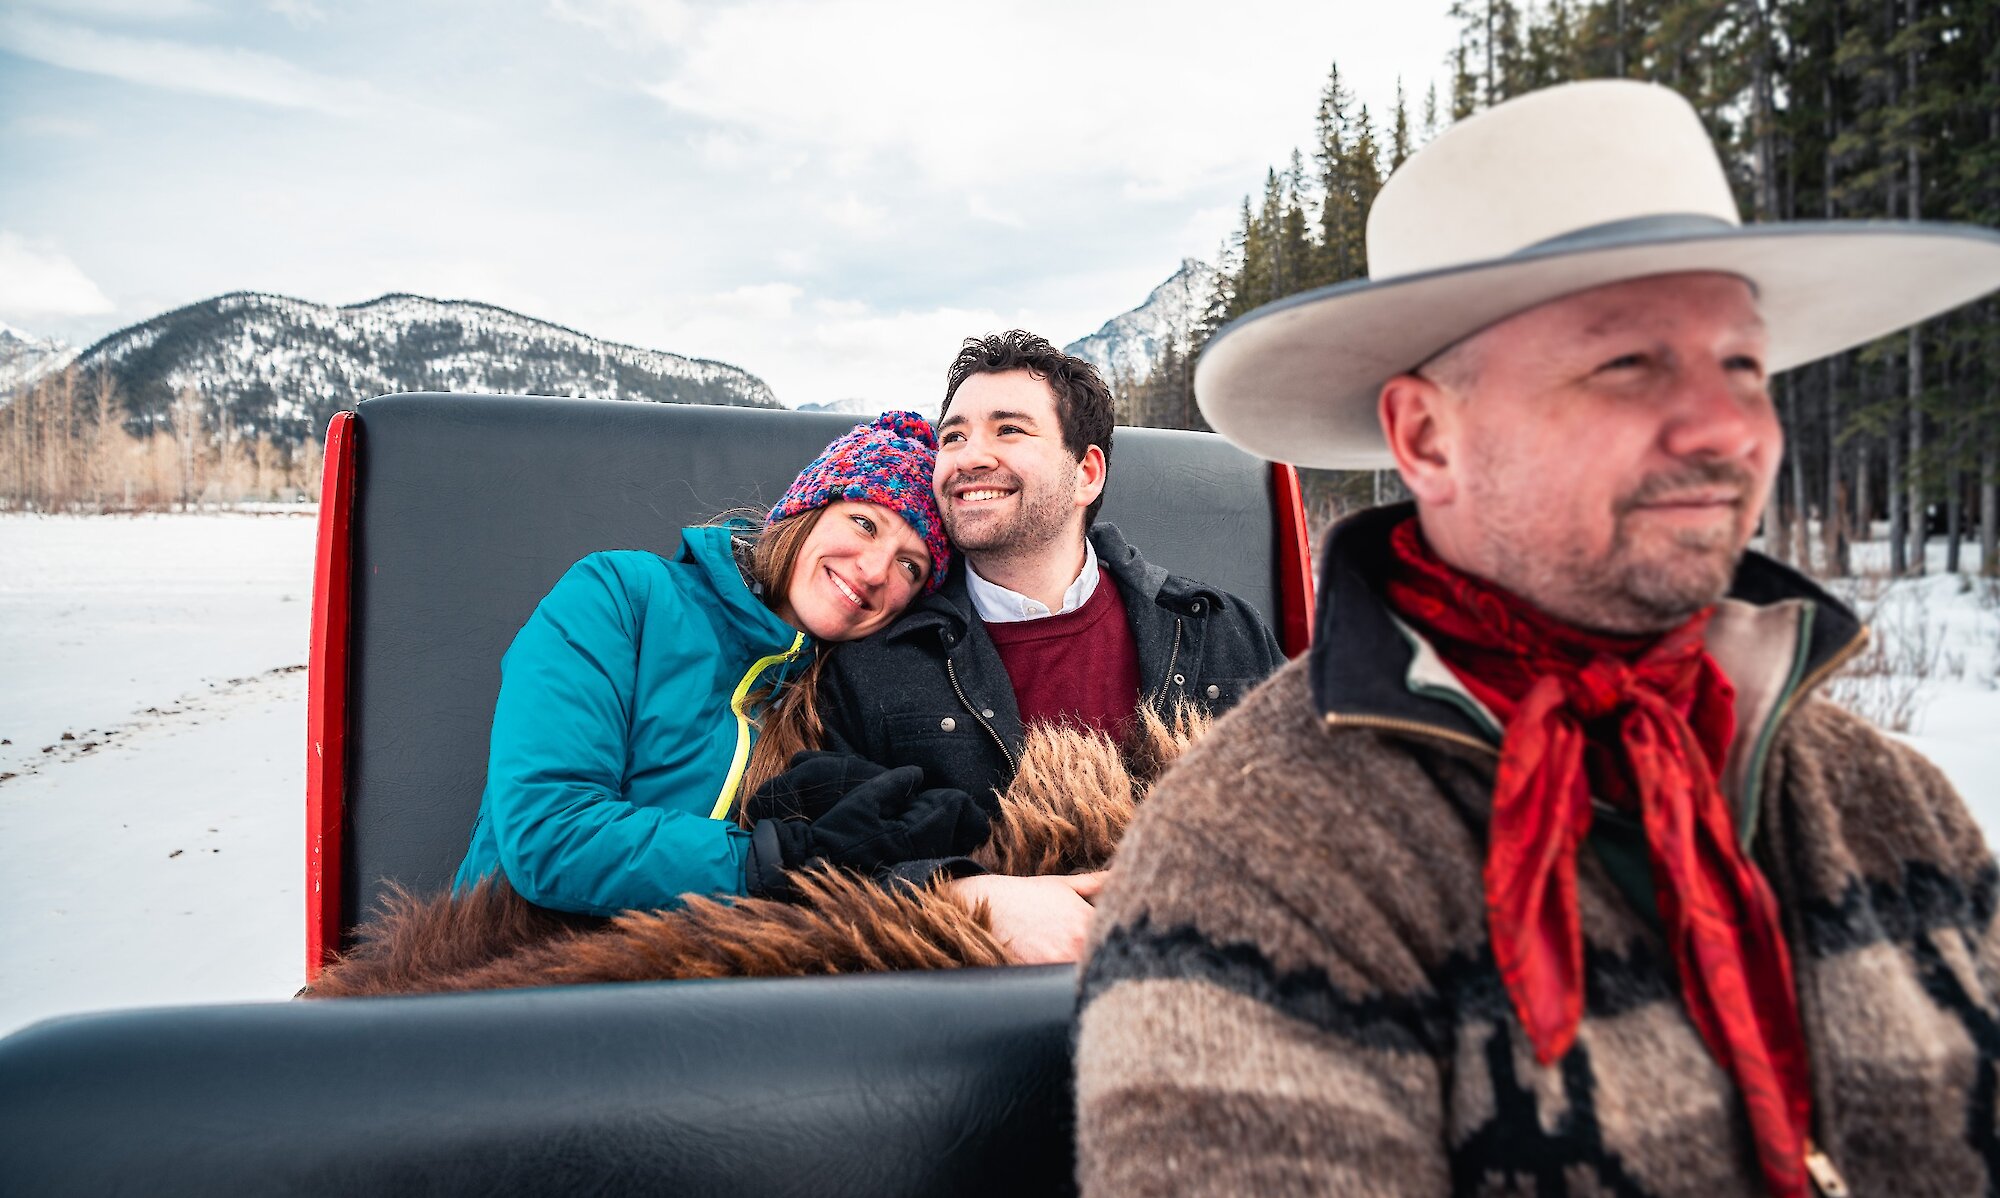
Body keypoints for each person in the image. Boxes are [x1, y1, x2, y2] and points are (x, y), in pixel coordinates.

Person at [1076, 80, 2000, 1196]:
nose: (1727, 427)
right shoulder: (1255, 858)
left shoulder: (1889, 805)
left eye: (1741, 365)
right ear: (1424, 435)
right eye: (1625, 363)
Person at [795, 331, 1286, 964]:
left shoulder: (1216, 631)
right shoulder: (874, 662)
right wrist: (964, 895)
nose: (970, 456)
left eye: (1008, 430)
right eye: (954, 436)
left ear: (1085, 473)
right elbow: (822, 858)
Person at [452, 412, 992, 918]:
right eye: (864, 523)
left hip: (707, 993)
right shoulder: (622, 597)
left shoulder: (851, 695)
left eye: (910, 565)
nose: (875, 571)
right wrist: (773, 863)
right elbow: (549, 833)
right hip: (506, 970)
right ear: (809, 509)